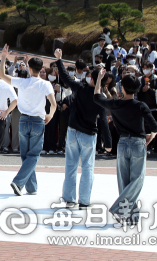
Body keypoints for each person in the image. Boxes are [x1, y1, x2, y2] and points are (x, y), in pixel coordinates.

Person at [93, 70, 157, 224]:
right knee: (137, 180)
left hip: (122, 143)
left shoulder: (116, 103)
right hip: (138, 143)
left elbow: (96, 97)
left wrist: (99, 80)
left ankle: (131, 216)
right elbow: (154, 126)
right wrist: (151, 136)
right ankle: (122, 211)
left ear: (122, 87)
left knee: (124, 181)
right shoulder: (140, 105)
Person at [54, 49, 111, 209]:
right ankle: (84, 201)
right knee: (87, 168)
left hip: (73, 131)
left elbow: (64, 76)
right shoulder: (101, 98)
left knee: (70, 165)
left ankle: (69, 199)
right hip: (89, 135)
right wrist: (108, 142)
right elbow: (104, 122)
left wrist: (59, 59)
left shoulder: (80, 88)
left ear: (91, 78)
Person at [0, 45, 56, 196]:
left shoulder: (22, 82)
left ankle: (31, 187)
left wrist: (4, 57)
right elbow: (54, 103)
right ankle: (19, 182)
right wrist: (50, 114)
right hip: (38, 121)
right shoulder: (46, 84)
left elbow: (2, 76)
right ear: (40, 68)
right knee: (33, 155)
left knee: (26, 155)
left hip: (23, 120)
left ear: (29, 68)